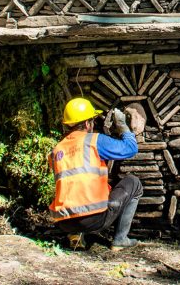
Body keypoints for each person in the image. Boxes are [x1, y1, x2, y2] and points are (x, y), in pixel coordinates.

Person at [48, 97, 142, 250]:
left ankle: (75, 235)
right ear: (87, 123)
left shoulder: (56, 151)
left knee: (80, 191)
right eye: (92, 121)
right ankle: (120, 239)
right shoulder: (94, 141)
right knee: (134, 183)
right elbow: (130, 148)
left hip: (64, 222)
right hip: (93, 219)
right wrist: (122, 126)